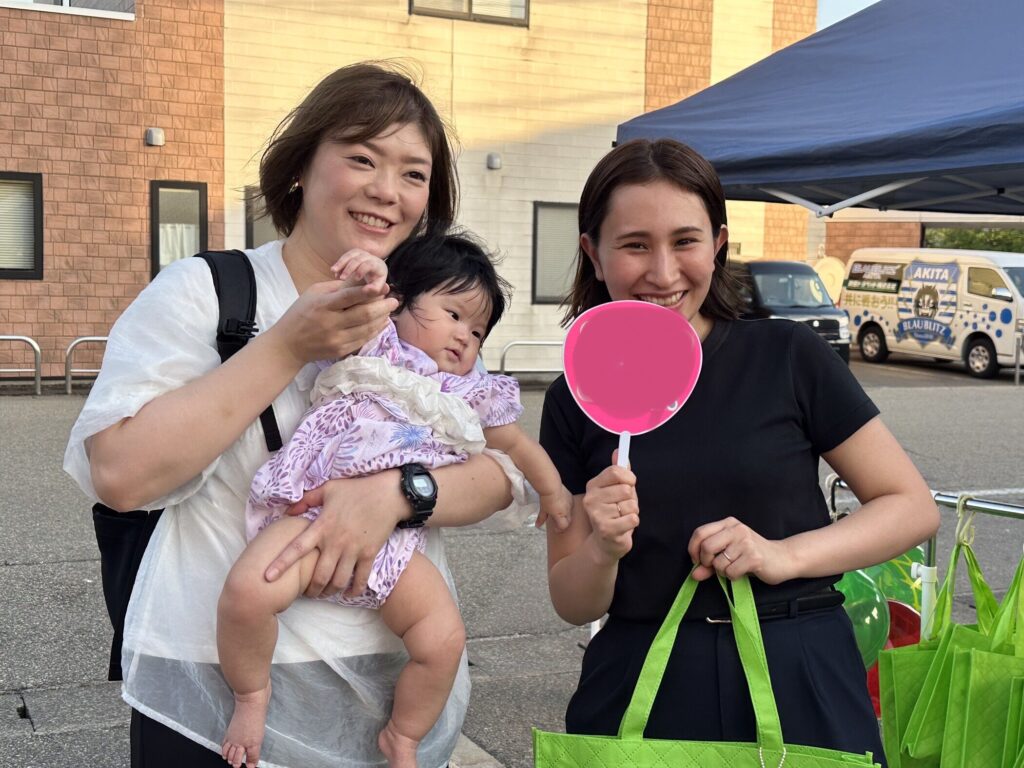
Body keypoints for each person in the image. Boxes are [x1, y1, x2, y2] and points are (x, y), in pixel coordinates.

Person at [64, 62, 533, 768]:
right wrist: (287, 346)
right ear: (300, 168)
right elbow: (120, 474)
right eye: (362, 158)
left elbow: (499, 472)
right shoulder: (208, 292)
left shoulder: (426, 317)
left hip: (382, 683)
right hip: (213, 687)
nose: (387, 190)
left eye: (413, 173)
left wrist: (401, 492)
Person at [540, 138, 939, 765]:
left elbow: (910, 506)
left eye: (685, 241)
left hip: (800, 665)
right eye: (635, 244)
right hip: (643, 678)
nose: (663, 272)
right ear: (593, 252)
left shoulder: (787, 356)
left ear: (718, 243)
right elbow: (572, 601)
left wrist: (784, 553)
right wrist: (602, 549)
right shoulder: (576, 396)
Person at [218, 235, 571, 768]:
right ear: (399, 302)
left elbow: (517, 447)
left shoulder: (467, 394)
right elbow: (359, 295)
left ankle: (403, 735)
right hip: (311, 516)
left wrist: (554, 491)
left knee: (444, 639)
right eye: (453, 314)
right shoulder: (377, 345)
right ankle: (251, 695)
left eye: (478, 331)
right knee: (247, 593)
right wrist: (369, 272)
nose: (465, 336)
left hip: (397, 543)